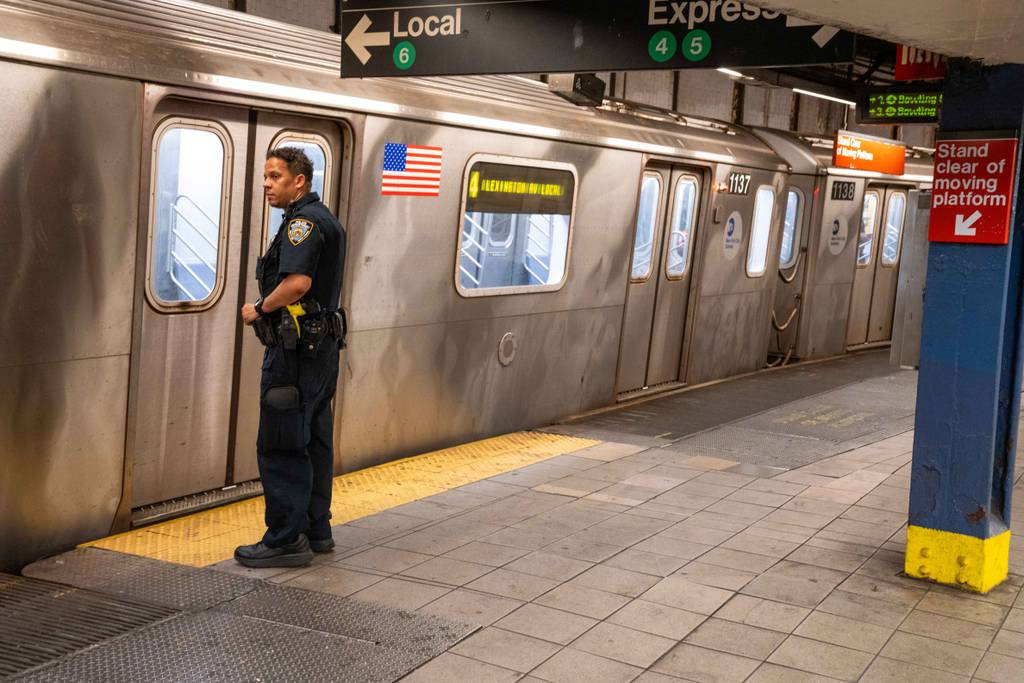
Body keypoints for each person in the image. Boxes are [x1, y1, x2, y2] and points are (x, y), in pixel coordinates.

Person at [235, 147, 346, 568]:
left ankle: (284, 539)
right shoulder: (326, 219)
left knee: (281, 442)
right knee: (315, 440)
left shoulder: (302, 224)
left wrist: (259, 308)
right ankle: (317, 530)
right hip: (322, 351)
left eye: (275, 176)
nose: (267, 184)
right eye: (265, 176)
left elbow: (298, 283)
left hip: (295, 353)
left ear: (299, 181)